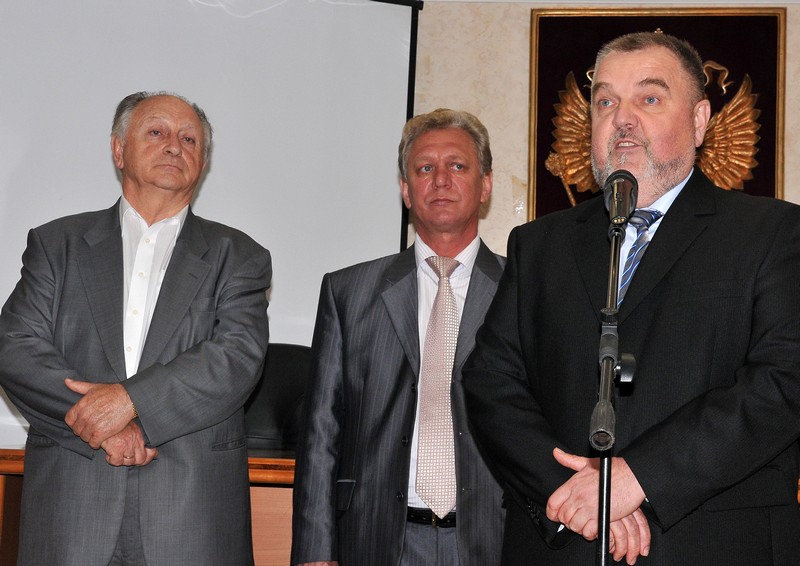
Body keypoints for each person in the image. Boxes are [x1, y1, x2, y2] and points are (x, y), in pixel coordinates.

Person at [463, 31, 800, 566]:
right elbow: (491, 382)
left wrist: (639, 477)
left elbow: (783, 381)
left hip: (711, 544)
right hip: (563, 543)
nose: (622, 118)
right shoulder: (540, 244)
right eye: (605, 102)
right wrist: (577, 496)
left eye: (649, 98)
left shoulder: (773, 232)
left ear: (699, 120)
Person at [0, 91, 271, 565]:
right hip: (71, 507)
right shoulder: (57, 244)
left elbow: (235, 359)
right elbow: (15, 346)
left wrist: (129, 402)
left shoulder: (240, 255)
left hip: (192, 518)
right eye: (157, 132)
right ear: (118, 149)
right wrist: (102, 425)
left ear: (203, 162)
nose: (174, 146)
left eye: (189, 139)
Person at [291, 108, 506, 566]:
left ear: (485, 185)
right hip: (376, 538)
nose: (441, 180)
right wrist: (314, 550)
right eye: (425, 168)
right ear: (406, 190)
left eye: (458, 165)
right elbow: (321, 432)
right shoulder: (348, 293)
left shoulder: (523, 291)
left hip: (496, 539)